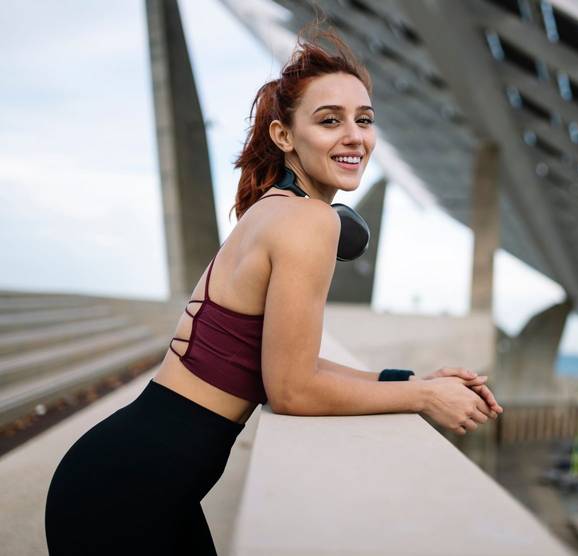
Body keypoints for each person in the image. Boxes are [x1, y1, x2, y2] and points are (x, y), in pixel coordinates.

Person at [44, 20, 502, 555]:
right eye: (329, 121)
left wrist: (402, 379)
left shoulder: (271, 212)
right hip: (127, 494)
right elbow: (290, 391)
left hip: (127, 477)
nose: (354, 135)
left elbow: (288, 362)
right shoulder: (309, 221)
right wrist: (423, 396)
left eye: (364, 120)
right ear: (284, 136)